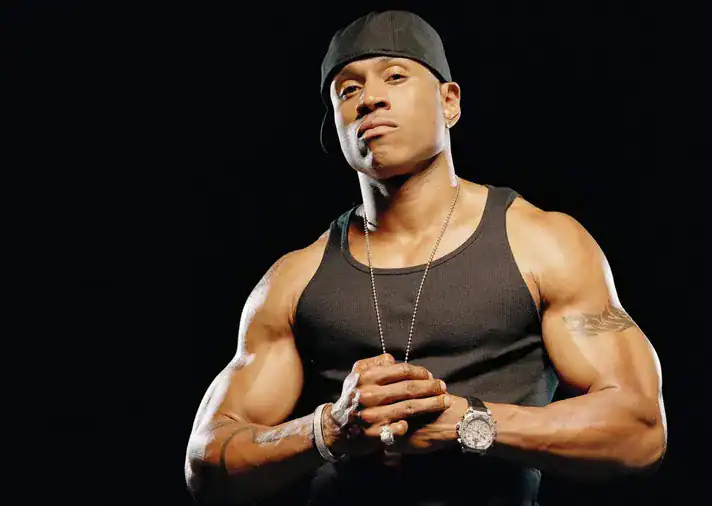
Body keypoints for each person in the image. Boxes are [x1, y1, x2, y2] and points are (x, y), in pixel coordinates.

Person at [184, 10, 667, 506]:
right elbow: (206, 464)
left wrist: (468, 422)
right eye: (348, 90)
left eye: (395, 76)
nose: (369, 98)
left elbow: (640, 430)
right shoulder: (294, 279)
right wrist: (328, 430)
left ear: (449, 102)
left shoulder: (544, 244)